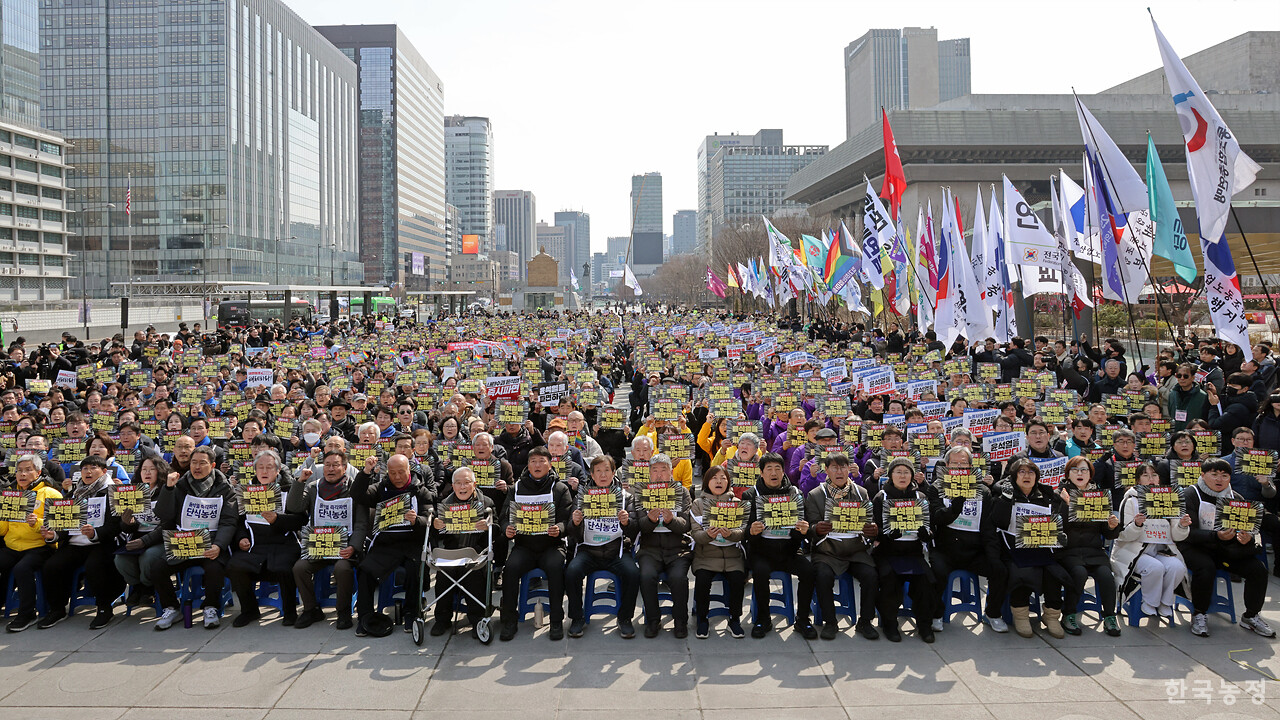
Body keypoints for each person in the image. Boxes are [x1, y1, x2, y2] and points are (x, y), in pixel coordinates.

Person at [1178, 458, 1275, 638]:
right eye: (1214, 474)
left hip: (1225, 549)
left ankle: (1251, 616)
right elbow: (1187, 533)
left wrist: (1246, 538)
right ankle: (1199, 613)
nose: (1219, 479)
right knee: (1205, 567)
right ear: (1203, 475)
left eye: (1224, 475)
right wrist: (1216, 535)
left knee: (1257, 570)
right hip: (1193, 547)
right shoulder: (1190, 494)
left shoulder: (1235, 498)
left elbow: (1247, 527)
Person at [148, 446, 240, 631]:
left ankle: (211, 607)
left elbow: (229, 521)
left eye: (202, 463)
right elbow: (164, 514)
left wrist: (219, 546)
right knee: (158, 567)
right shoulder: (180, 485)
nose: (197, 467)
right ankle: (172, 608)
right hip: (184, 542)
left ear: (213, 465)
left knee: (214, 568)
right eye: (194, 463)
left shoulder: (224, 488)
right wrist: (168, 488)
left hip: (211, 543)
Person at [350, 453, 435, 637]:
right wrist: (365, 472)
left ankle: (412, 612)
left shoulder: (421, 491)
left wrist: (416, 521)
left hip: (412, 543)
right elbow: (357, 495)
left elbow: (430, 521)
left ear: (409, 471)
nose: (396, 477)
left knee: (415, 569)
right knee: (365, 570)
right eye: (392, 473)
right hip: (386, 544)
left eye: (401, 472)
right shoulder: (381, 488)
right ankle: (365, 616)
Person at [927, 446, 1009, 633]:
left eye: (964, 463)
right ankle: (936, 614)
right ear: (946, 465)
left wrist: (993, 557)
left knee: (1000, 570)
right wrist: (954, 508)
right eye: (954, 463)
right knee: (936, 572)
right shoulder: (937, 487)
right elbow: (937, 517)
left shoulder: (983, 492)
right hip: (945, 549)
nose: (959, 466)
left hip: (974, 551)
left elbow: (988, 529)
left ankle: (992, 614)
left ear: (971, 466)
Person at [986, 457, 1070, 639]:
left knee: (1053, 573)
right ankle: (1021, 614)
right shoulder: (1003, 495)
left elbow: (1057, 523)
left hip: (1041, 548)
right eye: (1022, 472)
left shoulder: (1047, 496)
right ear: (1014, 476)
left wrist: (1064, 508)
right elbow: (997, 522)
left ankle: (1052, 615)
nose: (1027, 476)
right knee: (1021, 571)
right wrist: (1006, 501)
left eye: (1031, 472)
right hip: (1012, 548)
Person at [38, 456, 124, 630]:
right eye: (84, 469)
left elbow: (115, 526)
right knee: (52, 566)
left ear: (104, 471)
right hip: (75, 543)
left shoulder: (113, 493)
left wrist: (95, 533)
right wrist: (52, 534)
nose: (88, 472)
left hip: (102, 543)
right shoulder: (73, 493)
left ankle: (104, 608)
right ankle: (57, 609)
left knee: (96, 565)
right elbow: (63, 525)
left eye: (93, 467)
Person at [498, 446, 573, 642]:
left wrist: (559, 528)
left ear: (550, 464)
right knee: (511, 569)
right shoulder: (516, 488)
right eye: (533, 461)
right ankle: (509, 620)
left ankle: (556, 620)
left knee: (556, 568)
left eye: (542, 461)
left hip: (552, 546)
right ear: (528, 465)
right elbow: (504, 517)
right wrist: (507, 528)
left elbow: (568, 520)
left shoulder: (559, 488)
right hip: (524, 546)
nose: (537, 465)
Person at [804, 452, 881, 640]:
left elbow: (869, 522)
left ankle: (865, 621)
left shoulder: (861, 492)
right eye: (834, 468)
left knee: (871, 575)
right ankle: (830, 622)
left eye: (843, 467)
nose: (839, 471)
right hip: (827, 551)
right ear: (826, 470)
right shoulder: (815, 494)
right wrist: (817, 528)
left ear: (849, 469)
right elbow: (809, 527)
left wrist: (872, 530)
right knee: (822, 576)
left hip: (856, 550)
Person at [742, 452, 817, 640]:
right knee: (760, 573)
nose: (774, 473)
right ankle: (763, 619)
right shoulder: (750, 495)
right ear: (761, 473)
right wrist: (751, 531)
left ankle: (802, 620)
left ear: (784, 472)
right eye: (769, 469)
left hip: (789, 551)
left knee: (808, 571)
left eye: (778, 469)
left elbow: (807, 528)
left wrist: (804, 530)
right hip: (761, 552)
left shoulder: (796, 494)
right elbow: (742, 532)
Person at [290, 449, 368, 630]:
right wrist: (300, 481)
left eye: (335, 465)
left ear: (345, 467)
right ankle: (311, 609)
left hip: (344, 547)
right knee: (299, 568)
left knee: (342, 569)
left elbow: (362, 524)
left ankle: (343, 612)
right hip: (319, 546)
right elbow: (294, 507)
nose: (331, 469)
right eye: (327, 465)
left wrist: (354, 547)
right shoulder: (313, 487)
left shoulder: (354, 489)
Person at [564, 455, 639, 639]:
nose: (603, 475)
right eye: (598, 471)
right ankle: (577, 617)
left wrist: (627, 522)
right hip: (589, 551)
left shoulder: (625, 497)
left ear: (614, 473)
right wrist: (575, 523)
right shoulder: (582, 497)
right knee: (571, 571)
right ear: (592, 474)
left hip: (616, 551)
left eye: (607, 470)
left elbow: (636, 529)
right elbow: (570, 531)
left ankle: (625, 618)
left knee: (633, 573)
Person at [226, 450, 303, 627]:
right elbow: (238, 522)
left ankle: (290, 611)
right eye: (260, 467)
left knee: (285, 567)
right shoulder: (246, 491)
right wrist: (241, 538)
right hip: (255, 545)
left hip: (284, 544)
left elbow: (301, 520)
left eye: (269, 467)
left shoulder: (289, 489)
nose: (264, 471)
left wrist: (278, 519)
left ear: (277, 471)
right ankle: (249, 610)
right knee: (234, 565)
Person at [1112, 461, 1191, 624]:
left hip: (1161, 550)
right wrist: (1137, 525)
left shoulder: (1169, 499)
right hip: (1132, 551)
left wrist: (1182, 526)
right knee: (1155, 568)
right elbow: (1122, 535)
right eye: (1145, 475)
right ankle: (1150, 602)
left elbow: (1177, 536)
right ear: (1138, 480)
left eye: (1154, 475)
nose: (1151, 479)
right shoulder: (1130, 500)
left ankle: (1165, 602)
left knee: (1177, 567)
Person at [870, 458, 937, 643]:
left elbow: (929, 529)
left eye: (906, 472)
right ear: (890, 475)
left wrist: (926, 534)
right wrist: (886, 536)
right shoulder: (881, 498)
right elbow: (873, 531)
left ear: (912, 475)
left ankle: (924, 625)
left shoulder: (920, 498)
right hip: (887, 553)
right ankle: (890, 624)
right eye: (898, 471)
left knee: (926, 582)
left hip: (913, 553)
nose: (902, 475)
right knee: (890, 581)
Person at [1056, 457, 1122, 637]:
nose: (1080, 473)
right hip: (1069, 551)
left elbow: (1108, 534)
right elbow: (1056, 528)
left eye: (1084, 470)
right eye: (1075, 470)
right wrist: (1067, 505)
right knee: (1079, 573)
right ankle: (1068, 614)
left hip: (1094, 551)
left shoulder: (1099, 496)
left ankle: (1109, 616)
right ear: (1068, 474)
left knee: (1106, 575)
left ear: (1090, 474)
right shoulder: (1060, 494)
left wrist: (1111, 526)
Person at [429, 467, 496, 639]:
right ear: (453, 485)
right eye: (458, 483)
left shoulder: (486, 502)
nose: (462, 486)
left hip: (476, 552)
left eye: (466, 482)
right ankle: (442, 619)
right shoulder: (445, 504)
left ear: (474, 484)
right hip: (452, 551)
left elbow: (499, 533)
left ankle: (477, 620)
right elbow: (435, 536)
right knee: (444, 577)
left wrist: (489, 527)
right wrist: (436, 527)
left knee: (474, 575)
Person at [0, 455, 62, 632]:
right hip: (12, 546)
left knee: (22, 569)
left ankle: (27, 613)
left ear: (38, 472)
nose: (22, 474)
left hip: (40, 547)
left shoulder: (51, 493)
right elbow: (3, 530)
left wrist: (38, 523)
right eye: (19, 470)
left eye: (28, 470)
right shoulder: (11, 494)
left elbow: (59, 527)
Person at [690, 465, 746, 639]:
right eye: (714, 478)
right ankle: (702, 619)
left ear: (728, 482)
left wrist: (732, 534)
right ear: (707, 482)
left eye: (723, 478)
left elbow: (743, 531)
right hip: (705, 556)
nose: (719, 481)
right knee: (702, 580)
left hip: (732, 557)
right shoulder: (698, 504)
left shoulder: (737, 503)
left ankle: (734, 619)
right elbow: (695, 534)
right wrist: (707, 534)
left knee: (738, 579)